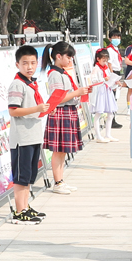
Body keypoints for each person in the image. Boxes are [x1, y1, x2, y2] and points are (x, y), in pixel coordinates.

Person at [5, 45, 50, 222]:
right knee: (21, 176)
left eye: (32, 63)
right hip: (22, 138)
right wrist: (37, 108)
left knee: (29, 175)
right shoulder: (17, 84)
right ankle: (19, 210)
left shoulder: (31, 83)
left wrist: (46, 109)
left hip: (33, 136)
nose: (29, 67)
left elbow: (34, 109)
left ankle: (25, 206)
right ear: (17, 64)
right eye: (25, 63)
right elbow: (13, 110)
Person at [42, 42, 86, 194]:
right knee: (58, 150)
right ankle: (57, 182)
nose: (70, 60)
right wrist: (77, 93)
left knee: (63, 150)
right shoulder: (55, 74)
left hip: (67, 111)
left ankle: (60, 180)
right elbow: (58, 98)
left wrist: (78, 93)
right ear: (59, 56)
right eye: (69, 57)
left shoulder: (61, 72)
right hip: (61, 112)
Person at [89, 47, 120, 141]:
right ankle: (98, 136)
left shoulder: (106, 68)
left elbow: (109, 79)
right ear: (98, 59)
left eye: (106, 60)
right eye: (103, 60)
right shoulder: (96, 68)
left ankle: (108, 134)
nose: (105, 62)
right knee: (98, 114)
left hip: (107, 91)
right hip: (100, 92)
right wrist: (103, 79)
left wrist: (114, 82)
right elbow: (93, 80)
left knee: (110, 114)